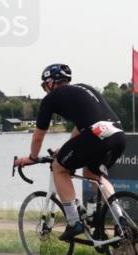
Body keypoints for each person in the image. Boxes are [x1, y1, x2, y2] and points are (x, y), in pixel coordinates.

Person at [14, 63, 126, 241]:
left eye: (44, 86)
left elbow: (38, 137)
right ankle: (121, 221)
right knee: (93, 174)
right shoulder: (85, 88)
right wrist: (65, 149)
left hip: (95, 135)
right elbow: (83, 126)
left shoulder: (51, 99)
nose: (45, 90)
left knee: (59, 168)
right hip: (118, 134)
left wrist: (32, 158)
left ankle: (74, 222)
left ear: (51, 82)